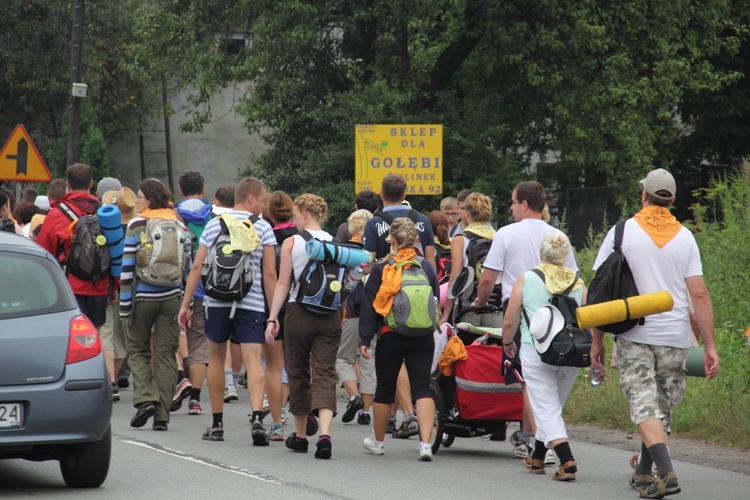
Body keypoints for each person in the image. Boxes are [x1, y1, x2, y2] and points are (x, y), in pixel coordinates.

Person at [590, 168, 719, 498]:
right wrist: (709, 345)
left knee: (645, 404)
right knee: (659, 405)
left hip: (634, 332)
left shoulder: (623, 232)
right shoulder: (686, 237)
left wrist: (597, 340)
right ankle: (644, 473)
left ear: (643, 194)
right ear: (672, 200)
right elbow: (700, 295)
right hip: (674, 336)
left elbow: (598, 290)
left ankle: (668, 473)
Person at [474, 180, 577, 459]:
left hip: (521, 308)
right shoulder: (559, 235)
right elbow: (574, 278)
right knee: (547, 378)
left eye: (512, 201)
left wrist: (480, 303)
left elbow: (487, 278)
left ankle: (537, 438)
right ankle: (540, 438)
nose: (510, 207)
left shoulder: (506, 234)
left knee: (531, 379)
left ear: (524, 204)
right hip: (557, 311)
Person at [179, 177, 277, 444]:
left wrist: (186, 305)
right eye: (263, 198)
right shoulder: (264, 228)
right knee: (253, 359)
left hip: (216, 301)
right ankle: (257, 418)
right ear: (251, 198)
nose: (265, 204)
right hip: (252, 302)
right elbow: (269, 273)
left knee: (217, 359)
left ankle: (217, 424)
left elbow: (196, 268)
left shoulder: (213, 226)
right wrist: (273, 313)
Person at [502, 231, 586, 481]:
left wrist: (507, 342)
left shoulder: (527, 278)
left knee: (545, 407)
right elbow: (587, 320)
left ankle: (567, 460)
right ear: (566, 256)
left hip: (535, 349)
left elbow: (510, 319)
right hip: (571, 352)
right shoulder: (579, 284)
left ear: (541, 254)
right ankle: (537, 458)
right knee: (550, 406)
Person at [264, 194, 340, 459]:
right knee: (325, 373)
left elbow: (284, 284)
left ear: (305, 214)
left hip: (298, 313)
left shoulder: (291, 242)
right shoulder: (335, 243)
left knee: (297, 373)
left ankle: (300, 437)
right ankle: (326, 435)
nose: (294, 220)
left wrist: (272, 319)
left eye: (295, 215)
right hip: (330, 315)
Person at [360, 217, 439, 461]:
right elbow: (434, 298)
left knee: (384, 389)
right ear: (416, 240)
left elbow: (370, 305)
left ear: (392, 241)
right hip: (423, 335)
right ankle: (426, 444)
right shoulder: (425, 266)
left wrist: (365, 338)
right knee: (422, 388)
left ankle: (378, 442)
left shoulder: (383, 267)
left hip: (391, 335)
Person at [120, 178, 191, 431]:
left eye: (139, 196)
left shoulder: (137, 224)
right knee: (165, 355)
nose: (136, 201)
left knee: (138, 350)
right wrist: (183, 300)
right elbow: (187, 266)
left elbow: (127, 268)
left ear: (149, 199)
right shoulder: (178, 223)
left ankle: (145, 400)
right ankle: (162, 416)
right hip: (171, 297)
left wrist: (125, 305)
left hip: (143, 297)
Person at [36, 164, 113, 342]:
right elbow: (115, 251)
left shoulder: (56, 214)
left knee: (71, 340)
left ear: (67, 184)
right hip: (99, 284)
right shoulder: (105, 213)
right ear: (91, 183)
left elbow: (44, 253)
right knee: (94, 339)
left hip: (69, 288)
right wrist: (113, 286)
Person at [172, 170, 213, 416]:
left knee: (174, 334)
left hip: (178, 283)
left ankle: (178, 381)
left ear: (180, 190)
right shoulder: (214, 215)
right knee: (199, 339)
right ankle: (195, 400)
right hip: (205, 286)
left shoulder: (174, 214)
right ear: (204, 189)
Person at [439, 192, 502, 332]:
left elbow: (455, 278)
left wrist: (446, 313)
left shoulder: (460, 239)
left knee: (467, 351)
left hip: (467, 306)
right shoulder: (499, 237)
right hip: (495, 304)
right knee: (494, 352)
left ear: (467, 212)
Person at [99, 187, 138, 402]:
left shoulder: (104, 224)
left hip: (107, 285)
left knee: (106, 333)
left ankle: (110, 381)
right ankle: (114, 376)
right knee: (122, 337)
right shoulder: (137, 227)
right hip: (129, 288)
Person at [336, 208, 375, 426]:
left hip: (352, 310)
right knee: (369, 361)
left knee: (344, 358)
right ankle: (365, 412)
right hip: (374, 312)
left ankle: (354, 396)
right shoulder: (379, 250)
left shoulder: (349, 249)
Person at [427, 210, 452, 284]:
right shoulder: (457, 245)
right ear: (448, 228)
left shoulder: (427, 249)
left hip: (436, 288)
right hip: (454, 290)